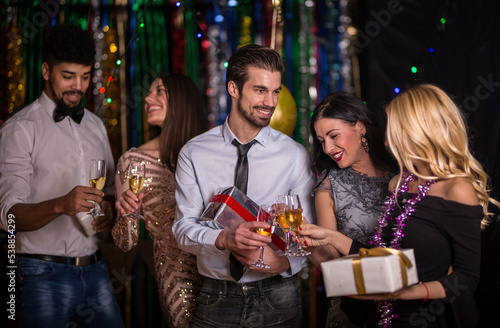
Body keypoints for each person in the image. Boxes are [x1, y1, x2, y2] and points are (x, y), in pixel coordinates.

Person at [299, 84, 499, 327]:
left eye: (395, 129)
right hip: (385, 318)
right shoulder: (399, 183)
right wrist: (328, 237)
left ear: (420, 130)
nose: (386, 139)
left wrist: (405, 292)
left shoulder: (457, 188)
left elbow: (467, 278)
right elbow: (387, 260)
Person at [172, 44, 315, 327]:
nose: (270, 102)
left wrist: (287, 264)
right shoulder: (194, 152)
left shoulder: (294, 154)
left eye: (276, 91)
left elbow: (309, 232)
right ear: (234, 88)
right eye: (260, 90)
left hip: (279, 295)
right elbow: (182, 229)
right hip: (216, 296)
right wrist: (224, 239)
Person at [0, 24, 123, 327]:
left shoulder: (94, 125)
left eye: (84, 77)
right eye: (68, 76)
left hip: (94, 268)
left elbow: (107, 189)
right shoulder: (19, 129)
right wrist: (60, 205)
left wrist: (108, 208)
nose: (78, 86)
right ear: (46, 71)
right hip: (38, 273)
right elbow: (8, 219)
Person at [112, 72, 206, 327]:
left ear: (182, 100)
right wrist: (127, 214)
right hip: (177, 276)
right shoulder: (133, 161)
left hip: (219, 268)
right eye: (148, 92)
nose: (147, 98)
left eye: (159, 91)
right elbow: (126, 242)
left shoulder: (209, 152)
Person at [307, 92, 396, 327]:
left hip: (409, 299)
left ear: (360, 127)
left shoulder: (401, 171)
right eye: (321, 140)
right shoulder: (329, 184)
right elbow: (331, 260)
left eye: (333, 135)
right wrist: (305, 246)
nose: (327, 148)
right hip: (353, 306)